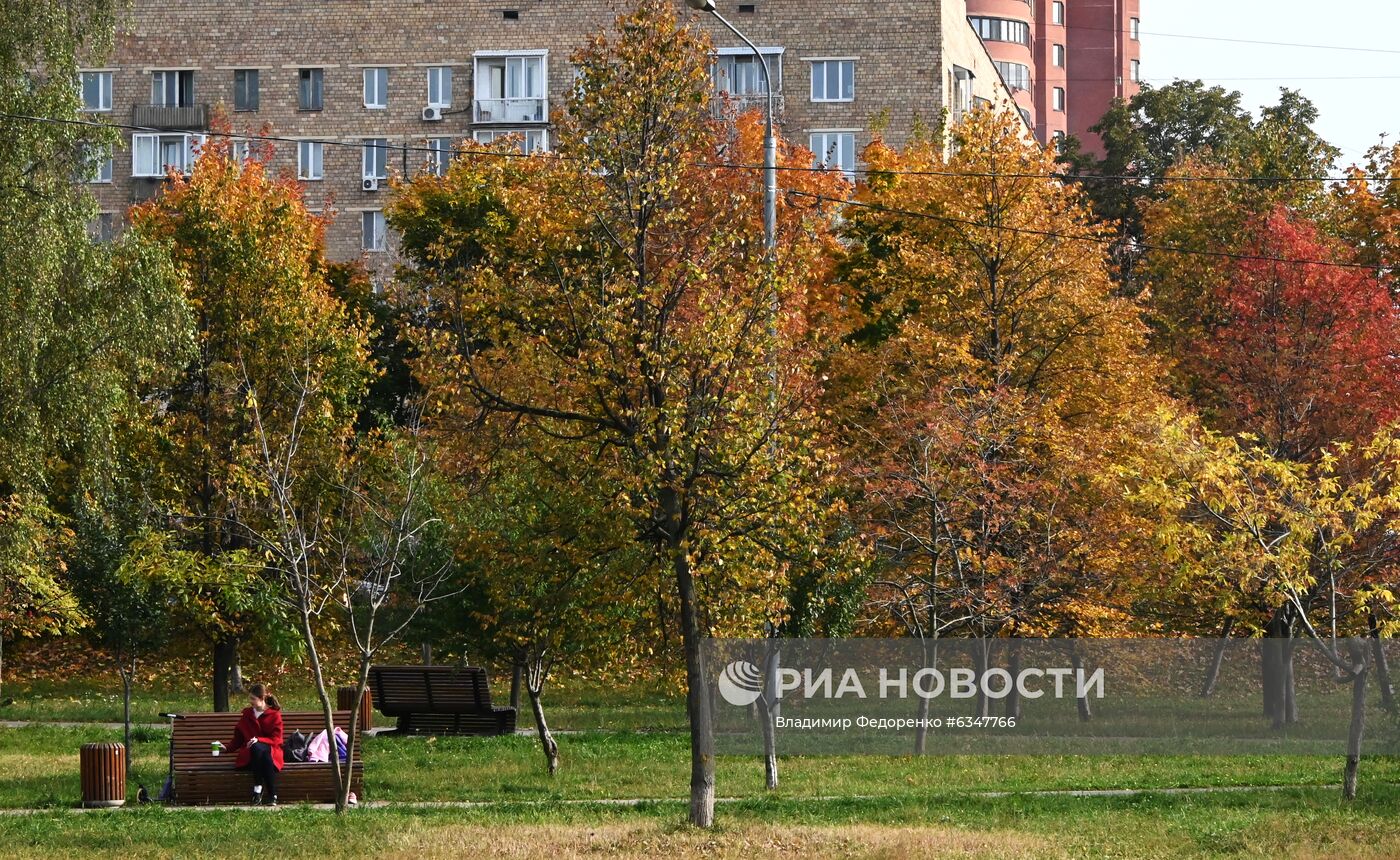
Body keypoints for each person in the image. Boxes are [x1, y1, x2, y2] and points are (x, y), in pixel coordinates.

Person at [227, 682, 284, 805]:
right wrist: (226, 748)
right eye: (250, 698)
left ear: (262, 699)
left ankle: (257, 790)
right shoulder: (247, 714)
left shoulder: (274, 715)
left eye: (253, 699)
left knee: (262, 751)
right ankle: (272, 795)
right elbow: (239, 737)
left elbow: (277, 740)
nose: (250, 702)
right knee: (257, 748)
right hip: (251, 757)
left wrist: (259, 740)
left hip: (271, 752)